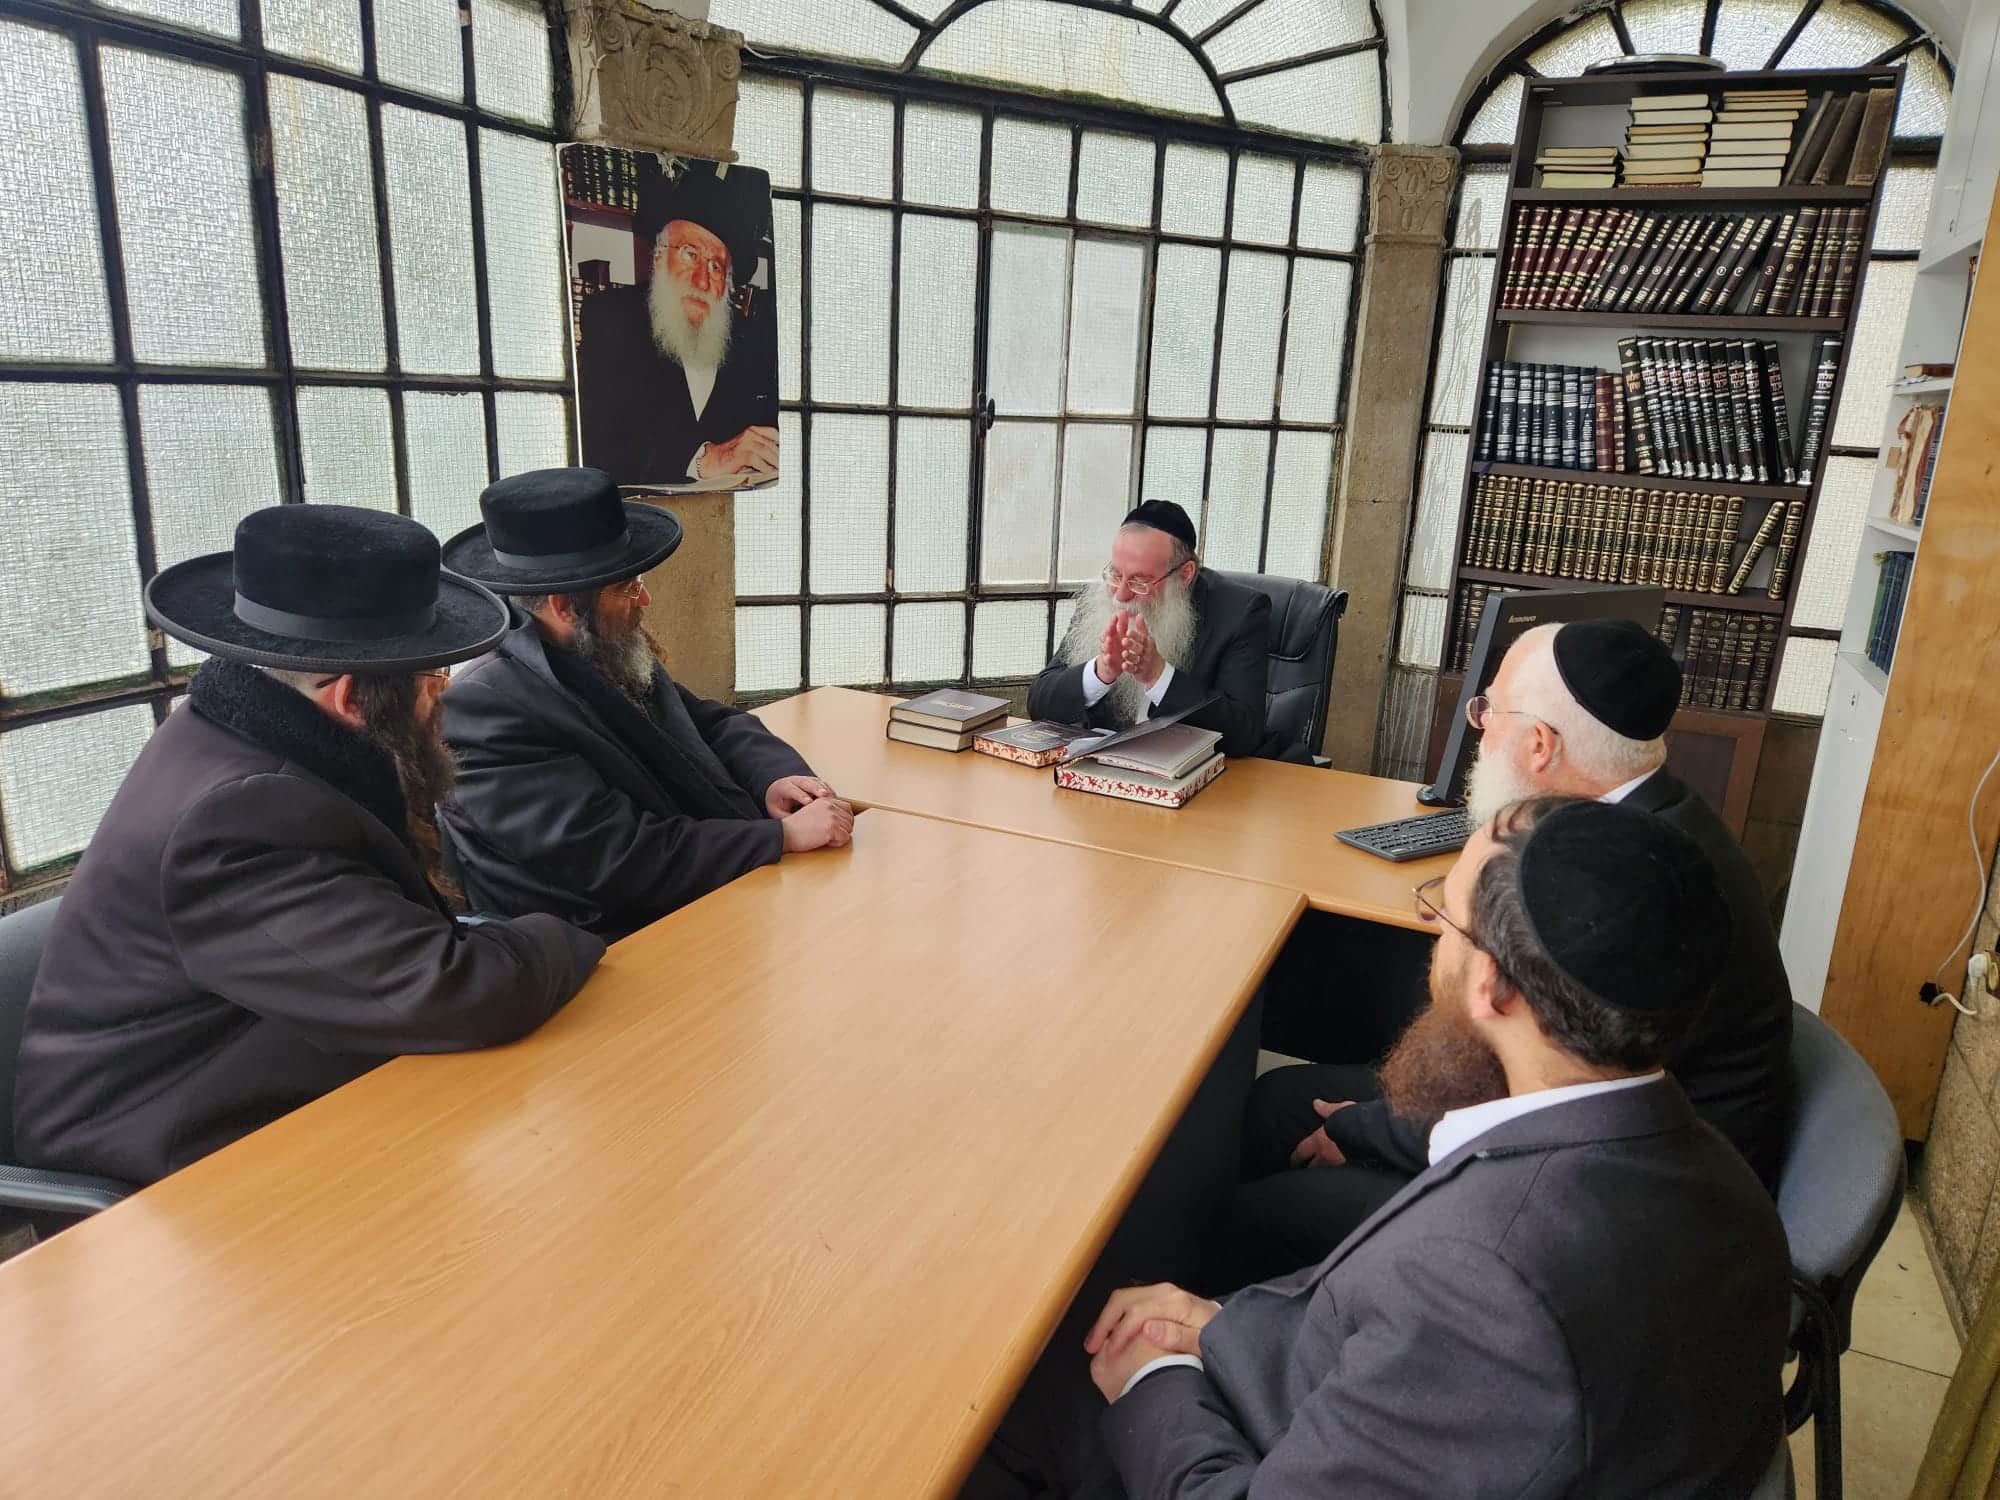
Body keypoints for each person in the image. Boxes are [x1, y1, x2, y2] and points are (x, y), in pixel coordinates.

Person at [965, 798, 1788, 1499]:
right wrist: (1221, 1330)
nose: (1432, 933)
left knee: (1004, 1400)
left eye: (1445, 916)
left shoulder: (1487, 1286)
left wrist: (1153, 1382)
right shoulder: (1718, 1176)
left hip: (1278, 1453)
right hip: (1380, 1419)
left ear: (1494, 986)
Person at [13, 505, 605, 1187]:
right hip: (165, 1160)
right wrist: (568, 933)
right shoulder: (241, 816)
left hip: (271, 1075)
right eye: (432, 678)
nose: (442, 700)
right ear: (351, 698)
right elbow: (452, 990)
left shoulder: (241, 729)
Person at [1218, 616, 1793, 1289]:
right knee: (1280, 1103)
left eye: (1489, 709)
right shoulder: (1643, 827)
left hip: (1611, 1203)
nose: (1480, 728)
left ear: (1541, 745)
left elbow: (1546, 1091)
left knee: (1261, 1212)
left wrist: (1366, 1131)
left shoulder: (1629, 883)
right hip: (1594, 1130)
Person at [436, 467, 851, 940]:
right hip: (611, 939)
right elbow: (613, 857)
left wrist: (775, 777)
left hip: (692, 890)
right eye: (628, 587)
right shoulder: (482, 710)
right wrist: (781, 838)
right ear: (564, 605)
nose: (645, 599)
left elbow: (708, 722)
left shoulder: (595, 647)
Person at [575, 159, 779, 489]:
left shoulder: (749, 342)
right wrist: (703, 460)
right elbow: (598, 446)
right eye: (690, 254)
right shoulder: (612, 319)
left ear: (727, 286)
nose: (702, 280)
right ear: (658, 258)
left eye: (716, 267)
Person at [1028, 501, 1273, 760]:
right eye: (1116, 574)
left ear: (1185, 575)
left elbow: (1243, 735)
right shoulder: (1102, 599)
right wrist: (1102, 671)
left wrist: (1158, 675)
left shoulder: (1240, 611)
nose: (1121, 596)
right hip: (1102, 768)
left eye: (1140, 581)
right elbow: (1039, 703)